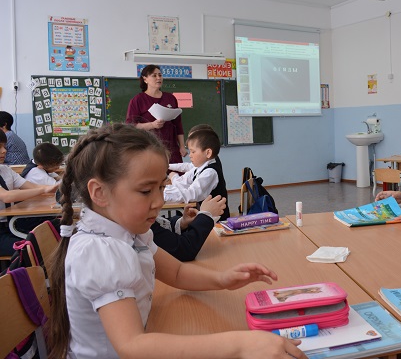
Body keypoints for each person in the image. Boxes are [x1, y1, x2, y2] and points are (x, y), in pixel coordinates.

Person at [45, 123, 306, 359]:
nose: (159, 201)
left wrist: (222, 279)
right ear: (99, 193)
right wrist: (240, 345)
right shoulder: (100, 251)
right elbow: (132, 345)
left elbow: (177, 273)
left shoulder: (131, 231)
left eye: (161, 187)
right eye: (146, 191)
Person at [0, 131, 59, 256]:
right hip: (3, 230)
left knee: (54, 233)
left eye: (4, 146)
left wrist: (54, 188)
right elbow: (6, 196)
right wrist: (44, 190)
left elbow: (31, 186)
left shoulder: (5, 170)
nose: (4, 150)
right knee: (35, 248)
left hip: (11, 226)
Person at [165, 128, 230, 220]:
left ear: (208, 153)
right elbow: (185, 182)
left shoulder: (209, 172)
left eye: (193, 151)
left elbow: (191, 195)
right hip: (206, 218)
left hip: (216, 222)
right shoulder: (201, 166)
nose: (190, 155)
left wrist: (163, 194)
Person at [126, 65, 187, 163]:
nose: (158, 78)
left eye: (160, 75)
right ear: (145, 79)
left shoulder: (170, 98)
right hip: (149, 148)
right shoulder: (138, 100)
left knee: (175, 172)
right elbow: (131, 126)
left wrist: (182, 146)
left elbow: (178, 125)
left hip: (171, 148)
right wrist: (152, 125)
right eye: (154, 75)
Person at [151, 199, 225, 262]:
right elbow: (183, 250)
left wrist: (181, 223)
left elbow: (161, 227)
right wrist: (206, 216)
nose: (161, 201)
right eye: (147, 192)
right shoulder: (147, 229)